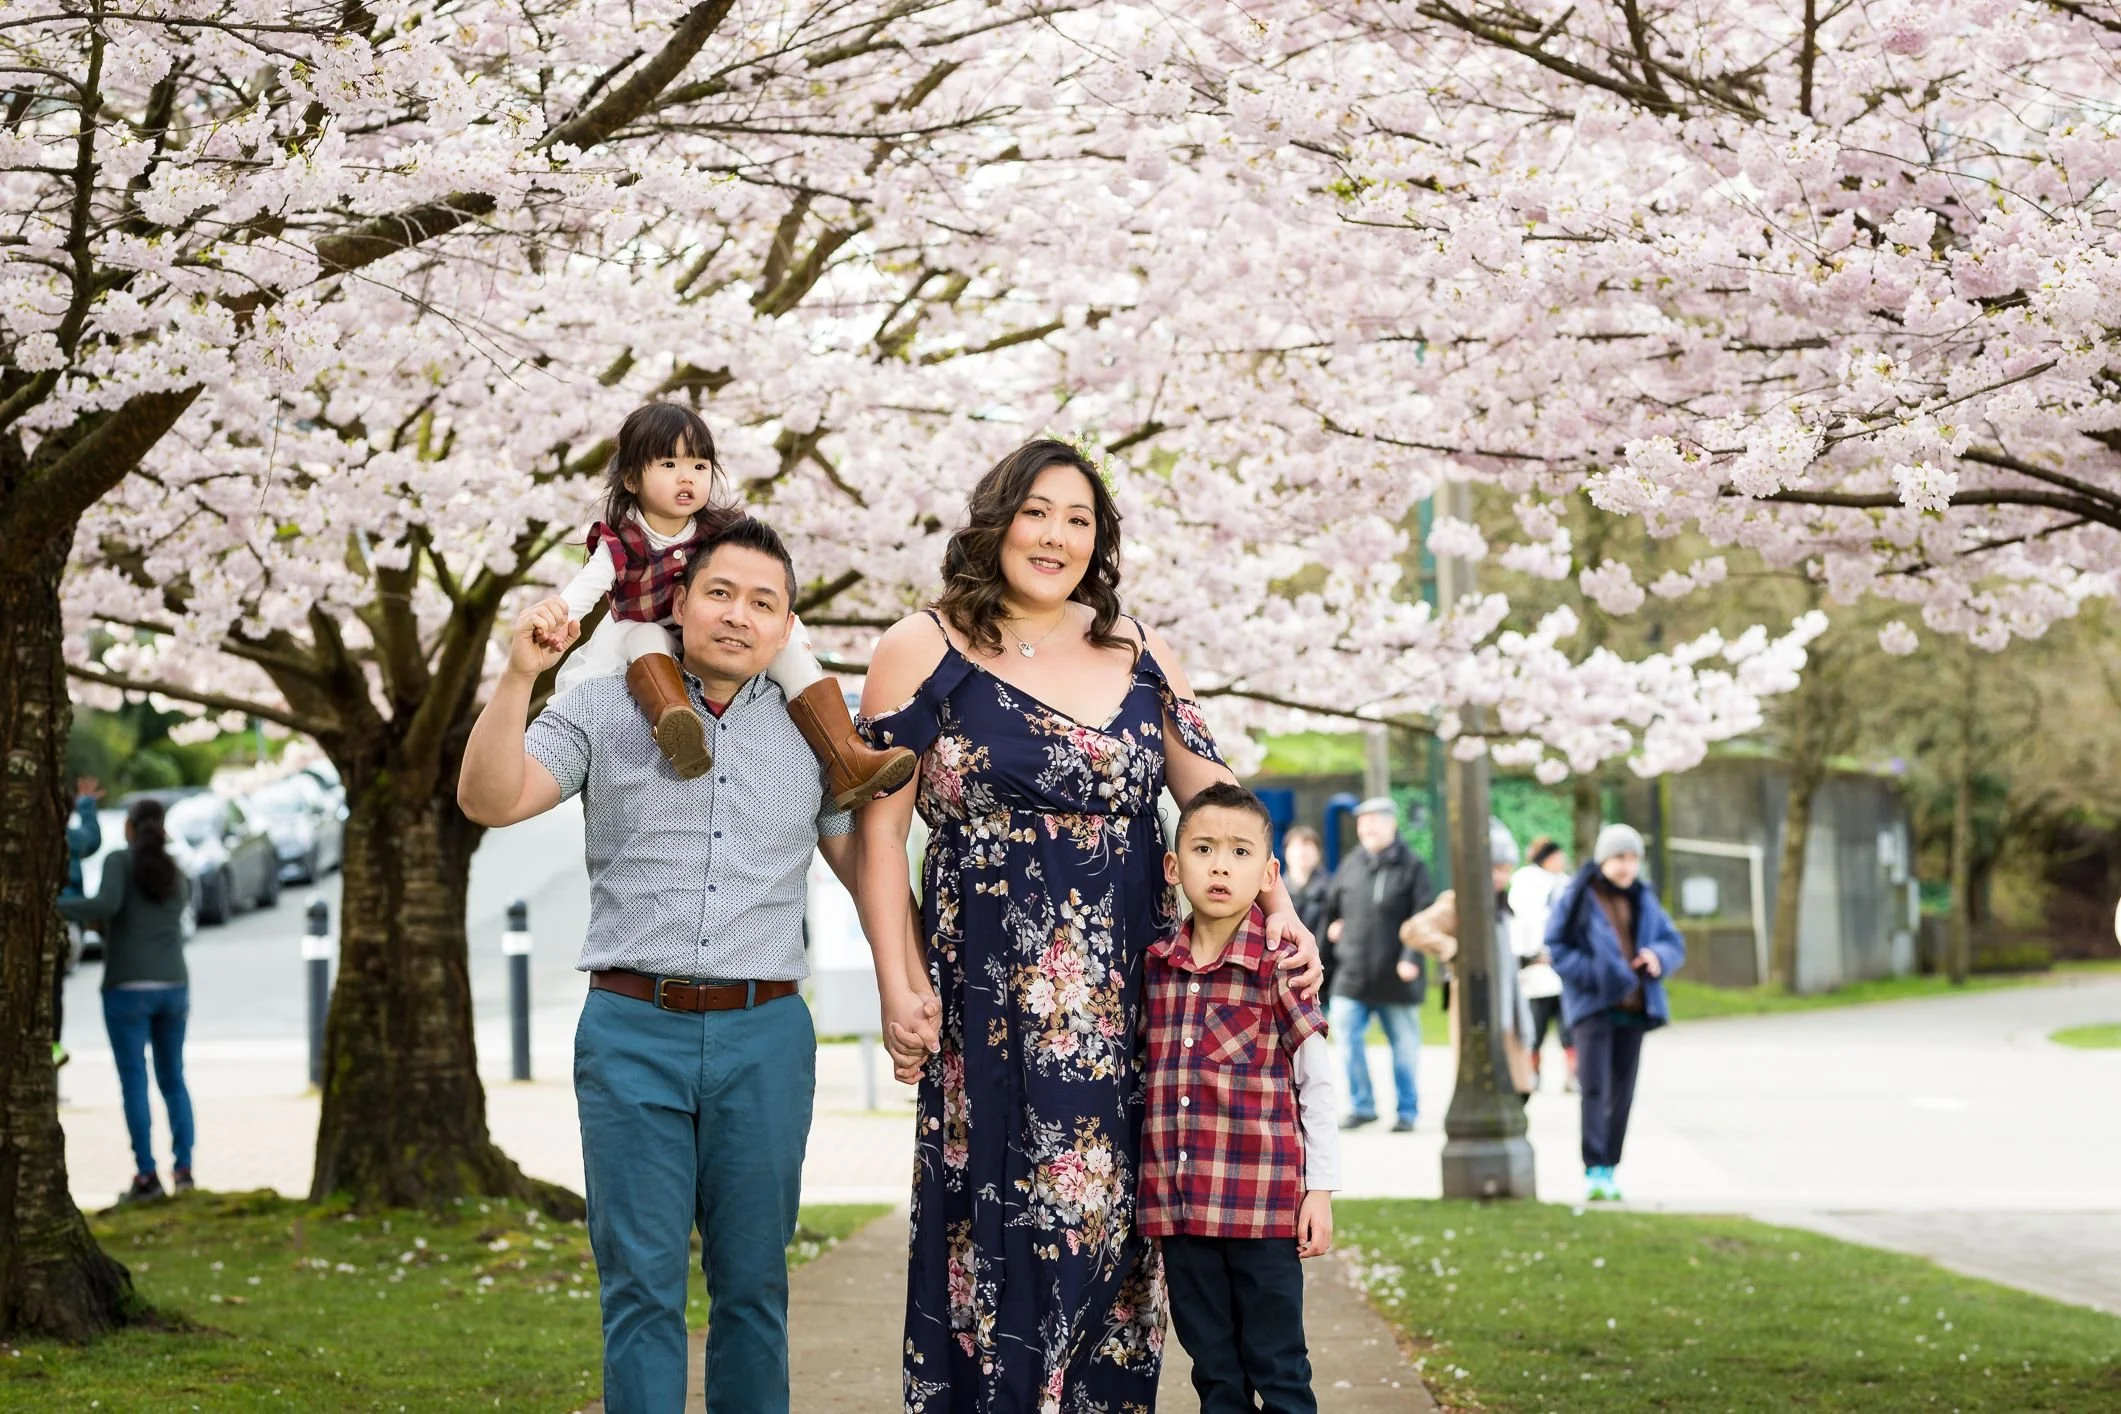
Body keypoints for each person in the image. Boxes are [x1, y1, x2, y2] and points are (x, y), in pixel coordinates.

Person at [853, 438, 1323, 1412]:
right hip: (986, 997)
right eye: (1038, 511)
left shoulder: (1137, 650)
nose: (1057, 534)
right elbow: (878, 829)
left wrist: (1284, 911)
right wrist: (898, 981)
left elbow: (1218, 802)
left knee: (1113, 1232)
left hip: (1131, 1000)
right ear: (997, 520)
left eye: (1079, 518)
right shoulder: (919, 647)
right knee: (999, 1233)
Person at [459, 517, 859, 1413]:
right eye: (719, 593)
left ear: (786, 626)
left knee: (753, 1288)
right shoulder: (603, 704)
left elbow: (861, 868)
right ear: (677, 603)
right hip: (631, 1031)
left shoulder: (816, 731)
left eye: (764, 603)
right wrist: (521, 673)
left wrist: (913, 978)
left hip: (765, 1036)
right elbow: (490, 798)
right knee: (639, 1289)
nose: (738, 616)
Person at [531, 401, 914, 806]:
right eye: (668, 465)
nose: (687, 478)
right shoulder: (620, 544)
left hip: (709, 630)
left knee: (785, 651)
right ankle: (677, 725)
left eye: (699, 467)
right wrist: (556, 619)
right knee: (643, 634)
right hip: (647, 640)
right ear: (630, 478)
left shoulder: (720, 530)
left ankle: (848, 756)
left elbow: (764, 586)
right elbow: (584, 590)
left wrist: (789, 636)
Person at [1143, 783, 1339, 1414]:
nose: (1220, 865)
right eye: (1202, 849)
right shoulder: (1154, 968)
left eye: (1239, 851)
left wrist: (1321, 1191)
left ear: (1268, 873)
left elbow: (1319, 1083)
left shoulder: (1282, 964)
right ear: (1175, 868)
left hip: (1262, 1211)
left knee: (1280, 1369)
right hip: (1181, 1214)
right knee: (1215, 1374)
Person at [59, 795, 193, 1203]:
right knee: (173, 1080)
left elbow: (106, 905)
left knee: (134, 1081)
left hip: (126, 987)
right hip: (173, 985)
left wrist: (53, 905)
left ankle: (146, 1175)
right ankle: (185, 1169)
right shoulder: (176, 871)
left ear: (129, 827)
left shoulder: (120, 861)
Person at [1546, 823, 1687, 1203]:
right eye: (1619, 858)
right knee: (1594, 1088)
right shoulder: (1578, 896)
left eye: (1633, 858)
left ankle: (1611, 1164)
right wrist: (1593, 975)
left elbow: (1673, 942)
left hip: (1635, 1007)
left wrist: (1658, 957)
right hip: (1593, 1006)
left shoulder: (1644, 898)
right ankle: (1594, 1167)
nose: (1627, 867)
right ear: (1603, 859)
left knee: (1623, 1092)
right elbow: (1556, 946)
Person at [1398, 819, 1538, 1100]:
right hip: (1475, 998)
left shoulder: (1501, 904)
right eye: (1495, 869)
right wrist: (1454, 950)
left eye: (1506, 870)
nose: (1501, 877)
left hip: (1507, 999)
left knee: (1517, 1084)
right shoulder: (1458, 901)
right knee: (1481, 1076)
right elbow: (1413, 930)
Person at [1321, 797, 1432, 1132]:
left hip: (1397, 975)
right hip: (1352, 973)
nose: (1366, 828)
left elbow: (1423, 917)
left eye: (1374, 821)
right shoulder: (1350, 864)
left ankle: (1407, 1111)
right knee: (1347, 1040)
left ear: (1392, 824)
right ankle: (1362, 1105)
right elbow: (1332, 910)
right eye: (1361, 822)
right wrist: (1331, 932)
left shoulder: (1412, 867)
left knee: (1404, 1047)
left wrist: (1411, 957)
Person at [1508, 837, 1572, 1090]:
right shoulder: (1526, 882)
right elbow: (1521, 921)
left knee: (1569, 1025)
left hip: (1563, 966)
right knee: (1535, 1025)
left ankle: (1572, 1074)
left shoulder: (1567, 884)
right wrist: (1527, 957)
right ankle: (1532, 1071)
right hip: (1535, 967)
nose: (1561, 861)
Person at [54, 774, 103, 1068]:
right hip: (69, 926)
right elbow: (91, 837)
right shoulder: (67, 838)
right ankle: (53, 1043)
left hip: (56, 925)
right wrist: (86, 804)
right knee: (54, 989)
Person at [1283, 824, 1334, 994]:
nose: (1302, 853)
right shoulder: (1273, 892)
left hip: (1326, 972)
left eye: (1308, 846)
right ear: (1286, 852)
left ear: (1318, 852)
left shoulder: (1332, 889)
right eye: (1296, 846)